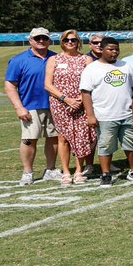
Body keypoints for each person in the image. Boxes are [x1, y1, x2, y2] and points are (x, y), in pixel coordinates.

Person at [79, 37, 133, 187]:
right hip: (105, 115)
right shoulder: (92, 68)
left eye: (116, 49)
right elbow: (85, 93)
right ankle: (105, 174)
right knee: (105, 145)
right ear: (102, 50)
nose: (114, 52)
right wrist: (90, 115)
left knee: (131, 144)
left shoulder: (125, 66)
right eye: (110, 49)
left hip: (127, 114)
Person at [5, 27, 59, 186]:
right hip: (30, 106)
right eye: (37, 38)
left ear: (49, 40)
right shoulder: (18, 60)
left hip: (54, 105)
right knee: (29, 139)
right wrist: (19, 107)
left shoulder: (56, 58)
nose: (41, 41)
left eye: (44, 38)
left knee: (53, 138)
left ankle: (50, 169)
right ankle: (27, 172)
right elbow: (10, 85)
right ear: (30, 40)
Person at [44, 29, 96, 184]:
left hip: (81, 103)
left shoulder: (87, 59)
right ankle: (66, 171)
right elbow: (48, 84)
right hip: (60, 103)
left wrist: (79, 100)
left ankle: (79, 170)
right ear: (62, 42)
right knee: (63, 137)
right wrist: (66, 99)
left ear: (78, 42)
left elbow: (91, 82)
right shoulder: (54, 59)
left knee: (81, 136)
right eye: (66, 40)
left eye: (73, 40)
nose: (70, 43)